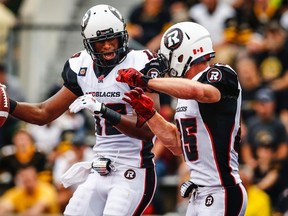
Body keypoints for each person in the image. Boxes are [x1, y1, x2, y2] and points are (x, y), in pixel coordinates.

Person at [1, 4, 167, 216]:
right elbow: (44, 113)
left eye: (111, 39)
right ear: (89, 44)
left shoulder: (141, 63)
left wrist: (103, 110)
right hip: (100, 169)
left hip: (133, 170)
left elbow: (147, 129)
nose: (107, 46)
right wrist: (8, 104)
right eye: (100, 42)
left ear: (122, 37)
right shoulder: (82, 67)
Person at [117, 21, 248, 215]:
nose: (166, 64)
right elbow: (178, 144)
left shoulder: (220, 73)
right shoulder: (183, 93)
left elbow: (199, 91)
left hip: (222, 190)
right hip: (200, 193)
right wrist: (150, 115)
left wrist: (147, 81)